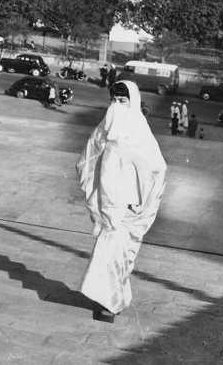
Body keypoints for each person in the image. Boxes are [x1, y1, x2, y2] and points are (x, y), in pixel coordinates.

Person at [75, 80, 167, 322]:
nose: (117, 106)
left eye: (122, 101)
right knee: (107, 255)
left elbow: (156, 168)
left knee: (117, 256)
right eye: (114, 101)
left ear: (132, 102)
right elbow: (86, 159)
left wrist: (140, 200)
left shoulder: (138, 129)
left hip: (127, 208)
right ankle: (111, 300)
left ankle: (111, 304)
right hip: (107, 206)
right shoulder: (104, 129)